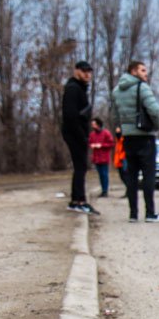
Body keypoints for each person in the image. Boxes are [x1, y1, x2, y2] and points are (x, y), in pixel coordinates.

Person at [109, 60, 159, 223]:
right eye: (142, 70)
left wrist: (122, 128)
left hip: (128, 138)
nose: (145, 74)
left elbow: (114, 115)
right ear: (133, 71)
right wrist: (156, 126)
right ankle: (150, 213)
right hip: (144, 137)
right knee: (148, 176)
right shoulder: (142, 88)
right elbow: (154, 110)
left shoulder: (116, 91)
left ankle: (133, 214)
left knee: (132, 176)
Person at [61, 60, 99, 214]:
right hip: (74, 133)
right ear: (76, 71)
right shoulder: (73, 88)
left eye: (89, 72)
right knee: (80, 167)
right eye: (84, 71)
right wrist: (82, 136)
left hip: (78, 133)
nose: (87, 74)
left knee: (81, 167)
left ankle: (77, 200)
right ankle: (79, 201)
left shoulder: (80, 88)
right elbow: (70, 116)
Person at [88, 117, 115, 198]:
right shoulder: (92, 134)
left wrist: (101, 145)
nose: (93, 126)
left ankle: (105, 190)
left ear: (98, 124)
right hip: (96, 158)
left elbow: (111, 144)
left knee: (104, 174)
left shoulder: (106, 133)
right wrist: (92, 145)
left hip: (104, 157)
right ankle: (103, 189)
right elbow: (89, 142)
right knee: (100, 174)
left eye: (94, 124)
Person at [112, 126, 128, 197]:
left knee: (125, 176)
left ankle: (129, 191)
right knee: (122, 176)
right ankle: (129, 190)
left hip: (124, 160)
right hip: (119, 160)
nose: (117, 133)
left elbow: (125, 150)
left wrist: (122, 158)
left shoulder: (124, 139)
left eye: (119, 131)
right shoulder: (117, 140)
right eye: (116, 131)